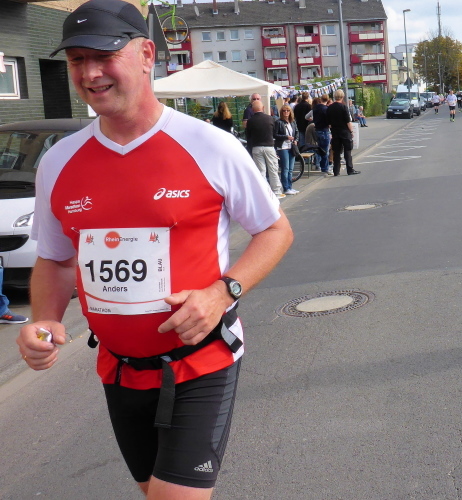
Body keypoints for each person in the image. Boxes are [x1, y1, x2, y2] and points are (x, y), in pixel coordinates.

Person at [17, 1, 293, 499]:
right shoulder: (58, 162)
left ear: (147, 55)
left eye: (105, 56)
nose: (90, 73)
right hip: (120, 370)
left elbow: (275, 230)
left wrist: (222, 293)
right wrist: (45, 321)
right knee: (152, 491)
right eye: (77, 60)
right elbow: (55, 259)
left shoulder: (209, 145)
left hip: (200, 361)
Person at [247, 100, 286, 198]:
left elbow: (248, 136)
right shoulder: (270, 119)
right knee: (273, 169)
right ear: (263, 108)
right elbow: (274, 132)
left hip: (256, 147)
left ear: (252, 110)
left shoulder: (250, 121)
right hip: (269, 146)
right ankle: (276, 191)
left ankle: (264, 193)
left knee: (261, 171)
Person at [327, 89, 360, 176]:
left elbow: (329, 123)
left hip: (335, 132)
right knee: (347, 151)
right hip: (345, 132)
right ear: (342, 96)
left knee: (336, 152)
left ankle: (336, 171)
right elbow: (348, 121)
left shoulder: (330, 108)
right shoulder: (344, 107)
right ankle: (350, 169)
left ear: (334, 96)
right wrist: (351, 131)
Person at [274, 104, 299, 196]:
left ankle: (290, 187)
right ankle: (286, 188)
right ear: (281, 112)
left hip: (291, 146)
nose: (286, 112)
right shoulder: (278, 122)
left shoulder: (292, 122)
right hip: (283, 147)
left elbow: (296, 132)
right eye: (284, 111)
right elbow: (275, 135)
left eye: (288, 110)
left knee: (291, 169)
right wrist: (286, 137)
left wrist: (296, 140)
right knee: (285, 168)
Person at [312, 94, 332, 176]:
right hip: (324, 130)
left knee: (319, 149)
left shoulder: (315, 108)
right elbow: (328, 121)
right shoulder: (326, 109)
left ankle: (318, 164)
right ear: (327, 100)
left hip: (317, 130)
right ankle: (325, 168)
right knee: (325, 151)